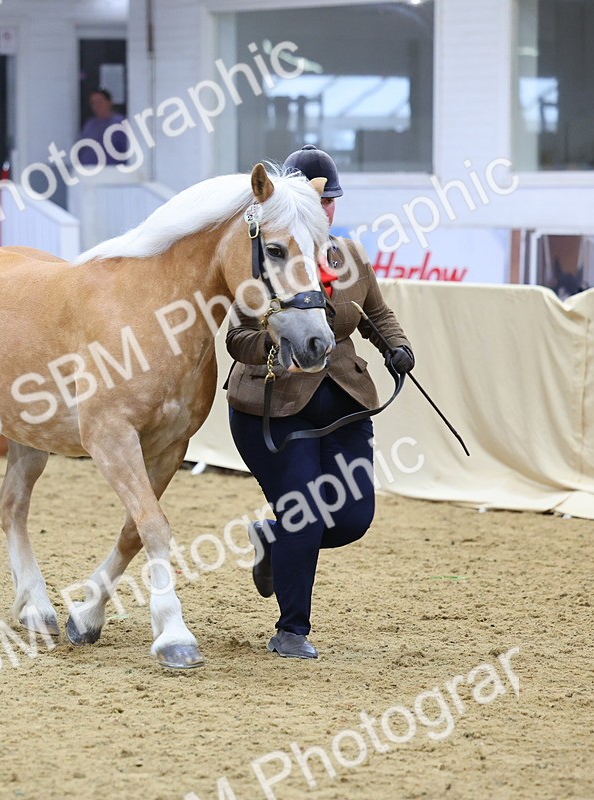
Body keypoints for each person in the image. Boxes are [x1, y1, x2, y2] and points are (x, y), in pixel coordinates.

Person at [225, 145, 414, 659]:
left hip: (344, 404)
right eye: (317, 202)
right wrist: (271, 345)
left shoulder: (349, 256)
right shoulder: (264, 258)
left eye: (330, 201)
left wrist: (396, 347)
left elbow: (375, 314)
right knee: (304, 511)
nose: (325, 210)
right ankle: (292, 630)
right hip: (275, 408)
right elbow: (236, 338)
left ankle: (273, 538)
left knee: (353, 519)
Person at [76, 89, 129, 167]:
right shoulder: (89, 124)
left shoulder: (120, 122)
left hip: (110, 171)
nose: (97, 105)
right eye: (93, 103)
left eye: (100, 101)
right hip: (87, 171)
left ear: (109, 102)